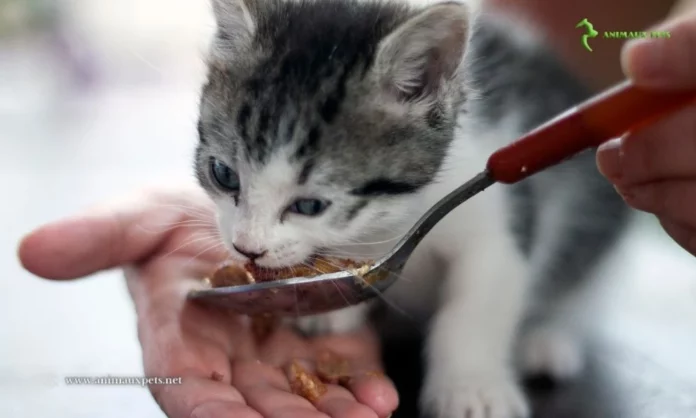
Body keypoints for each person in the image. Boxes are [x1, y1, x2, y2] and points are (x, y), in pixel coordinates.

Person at [17, 4, 696, 418]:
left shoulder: (433, 134)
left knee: (505, 244)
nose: (248, 238)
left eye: (307, 203)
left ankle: (542, 325)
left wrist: (471, 367)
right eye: (226, 177)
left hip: (559, 287)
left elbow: (493, 250)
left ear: (426, 92)